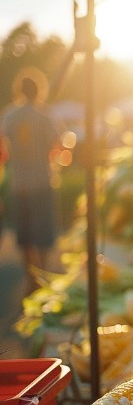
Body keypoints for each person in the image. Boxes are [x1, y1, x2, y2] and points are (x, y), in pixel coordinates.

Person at [1, 67, 60, 291]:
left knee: (24, 234)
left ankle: (30, 279)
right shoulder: (45, 115)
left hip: (18, 182)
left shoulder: (9, 116)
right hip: (42, 180)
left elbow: (3, 150)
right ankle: (43, 274)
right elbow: (57, 146)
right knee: (42, 234)